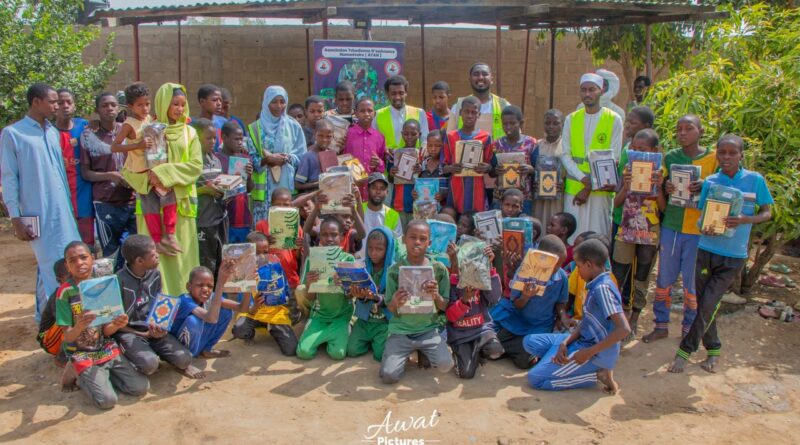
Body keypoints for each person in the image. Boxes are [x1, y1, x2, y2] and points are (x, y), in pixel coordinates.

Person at [669, 134, 773, 374]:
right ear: (716, 153)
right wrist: (704, 225)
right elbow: (703, 212)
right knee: (706, 302)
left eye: (732, 153)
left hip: (734, 255)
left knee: (707, 303)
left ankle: (684, 352)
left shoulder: (754, 180)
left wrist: (745, 219)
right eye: (722, 152)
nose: (726, 157)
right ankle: (714, 349)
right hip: (706, 249)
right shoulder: (710, 182)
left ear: (741, 155)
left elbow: (767, 212)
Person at [1, 83, 81, 320]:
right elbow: (9, 178)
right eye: (53, 101)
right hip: (36, 213)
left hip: (62, 211)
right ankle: (57, 327)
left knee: (66, 263)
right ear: (36, 101)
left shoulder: (53, 132)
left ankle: (45, 317)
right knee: (51, 267)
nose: (57, 106)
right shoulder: (13, 134)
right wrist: (16, 218)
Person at [642, 115, 718, 344]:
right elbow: (660, 190)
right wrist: (665, 186)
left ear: (701, 131)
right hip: (672, 225)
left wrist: (706, 186)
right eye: (679, 129)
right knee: (664, 277)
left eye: (689, 128)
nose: (683, 133)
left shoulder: (713, 159)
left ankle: (688, 328)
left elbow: (724, 189)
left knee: (691, 282)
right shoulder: (672, 157)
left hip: (698, 230)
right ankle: (661, 325)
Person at [122, 82, 203, 297]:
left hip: (181, 207)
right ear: (163, 103)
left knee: (182, 259)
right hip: (151, 209)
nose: (179, 108)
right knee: (155, 261)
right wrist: (149, 179)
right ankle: (159, 307)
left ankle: (187, 303)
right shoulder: (148, 131)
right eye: (174, 104)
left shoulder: (190, 133)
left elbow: (196, 167)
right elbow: (129, 168)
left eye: (182, 104)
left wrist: (164, 173)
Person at [524, 239, 629, 393]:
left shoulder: (603, 289)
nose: (577, 271)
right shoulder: (595, 284)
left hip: (592, 352)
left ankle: (596, 374)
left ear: (588, 265)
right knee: (529, 342)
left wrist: (588, 353)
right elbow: (587, 322)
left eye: (578, 266)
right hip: (581, 340)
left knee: (536, 379)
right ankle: (559, 360)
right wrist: (565, 342)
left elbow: (623, 329)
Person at [56, 241, 149, 409]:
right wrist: (79, 326)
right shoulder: (65, 292)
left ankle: (101, 376)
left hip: (105, 347)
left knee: (140, 388)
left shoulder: (103, 285)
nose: (79, 263)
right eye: (72, 260)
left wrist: (117, 324)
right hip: (81, 353)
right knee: (107, 401)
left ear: (93, 259)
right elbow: (67, 336)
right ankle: (78, 372)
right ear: (67, 265)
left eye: (84, 258)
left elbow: (106, 330)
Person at [115, 235, 203, 378]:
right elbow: (115, 324)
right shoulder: (119, 281)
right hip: (129, 332)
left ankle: (154, 352)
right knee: (150, 365)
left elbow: (160, 306)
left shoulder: (155, 274)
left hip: (151, 330)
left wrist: (161, 328)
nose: (157, 254)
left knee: (185, 359)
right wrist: (144, 334)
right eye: (153, 253)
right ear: (139, 261)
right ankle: (130, 355)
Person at [112, 82, 182, 256]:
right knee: (149, 206)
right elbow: (114, 147)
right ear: (130, 106)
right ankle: (157, 240)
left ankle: (170, 234)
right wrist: (138, 144)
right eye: (140, 105)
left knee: (169, 198)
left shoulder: (151, 120)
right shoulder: (129, 124)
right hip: (140, 173)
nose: (144, 108)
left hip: (155, 170)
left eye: (147, 104)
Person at [380, 220, 453, 383]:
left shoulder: (439, 269)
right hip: (401, 331)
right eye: (413, 237)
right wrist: (396, 301)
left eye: (422, 238)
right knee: (389, 376)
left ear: (429, 243)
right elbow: (390, 308)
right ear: (404, 240)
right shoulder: (394, 271)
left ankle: (422, 351)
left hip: (428, 330)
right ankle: (403, 354)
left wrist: (436, 296)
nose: (417, 242)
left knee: (445, 365)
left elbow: (444, 306)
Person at [610, 129, 665, 339]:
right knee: (619, 272)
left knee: (642, 274)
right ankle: (617, 318)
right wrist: (627, 184)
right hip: (627, 227)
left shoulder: (661, 172)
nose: (636, 153)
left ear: (654, 151)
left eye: (641, 149)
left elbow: (664, 208)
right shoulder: (627, 169)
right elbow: (616, 202)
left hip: (649, 230)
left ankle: (635, 317)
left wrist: (658, 187)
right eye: (633, 149)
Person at [491, 235, 570, 369]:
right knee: (492, 345)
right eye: (555, 263)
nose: (557, 268)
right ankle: (514, 349)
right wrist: (526, 297)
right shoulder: (525, 272)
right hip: (517, 322)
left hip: (540, 327)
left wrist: (562, 316)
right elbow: (516, 304)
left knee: (524, 362)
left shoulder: (561, 277)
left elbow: (560, 302)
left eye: (560, 264)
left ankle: (515, 350)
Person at [561, 73, 624, 242]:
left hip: (600, 192)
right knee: (573, 238)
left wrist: (589, 187)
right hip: (574, 189)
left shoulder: (614, 119)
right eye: (583, 90)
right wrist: (583, 179)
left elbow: (615, 157)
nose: (587, 94)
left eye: (591, 90)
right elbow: (565, 155)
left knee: (598, 237)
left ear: (601, 90)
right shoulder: (571, 119)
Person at [80, 92, 137, 267]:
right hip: (106, 203)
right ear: (97, 110)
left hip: (132, 200)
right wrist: (110, 175)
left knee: (136, 251)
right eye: (104, 105)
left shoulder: (128, 131)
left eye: (113, 105)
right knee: (110, 255)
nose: (109, 108)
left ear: (119, 108)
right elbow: (86, 173)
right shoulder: (89, 136)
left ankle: (134, 292)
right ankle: (114, 292)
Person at [295, 216, 355, 360]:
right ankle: (315, 328)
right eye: (325, 234)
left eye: (334, 235)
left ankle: (341, 330)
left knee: (338, 354)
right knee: (303, 353)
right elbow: (309, 297)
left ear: (341, 237)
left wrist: (345, 286)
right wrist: (310, 284)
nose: (329, 238)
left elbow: (350, 296)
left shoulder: (348, 260)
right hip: (319, 316)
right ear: (320, 236)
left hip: (341, 316)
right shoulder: (312, 259)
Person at [231, 231, 298, 356]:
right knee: (239, 330)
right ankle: (249, 333)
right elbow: (244, 307)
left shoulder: (275, 268)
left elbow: (286, 291)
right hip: (252, 313)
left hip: (275, 314)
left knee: (291, 350)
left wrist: (292, 308)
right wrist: (254, 307)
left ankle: (272, 327)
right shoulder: (242, 275)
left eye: (265, 252)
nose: (261, 257)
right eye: (256, 253)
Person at [446, 244, 504, 379]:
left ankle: (478, 352)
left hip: (482, 330)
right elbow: (450, 316)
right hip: (460, 335)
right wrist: (464, 300)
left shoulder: (481, 280)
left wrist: (489, 268)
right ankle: (463, 354)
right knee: (466, 374)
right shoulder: (453, 282)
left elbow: (495, 297)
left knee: (496, 350)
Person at [247, 85, 307, 215]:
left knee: (285, 226)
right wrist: (267, 160)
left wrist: (287, 158)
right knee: (264, 230)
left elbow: (302, 156)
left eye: (282, 101)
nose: (279, 106)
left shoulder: (293, 126)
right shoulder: (255, 128)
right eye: (274, 102)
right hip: (263, 193)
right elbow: (250, 159)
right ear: (266, 102)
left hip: (286, 188)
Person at [172, 261, 247, 358]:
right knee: (193, 321)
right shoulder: (184, 300)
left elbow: (242, 308)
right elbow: (211, 318)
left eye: (210, 286)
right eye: (200, 285)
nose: (205, 289)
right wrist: (220, 282)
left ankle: (206, 349)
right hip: (179, 349)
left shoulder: (211, 297)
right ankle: (187, 357)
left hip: (197, 344)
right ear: (188, 286)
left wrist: (248, 284)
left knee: (226, 312)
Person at [255, 187, 307, 324]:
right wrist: (265, 241)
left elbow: (298, 258)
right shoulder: (262, 225)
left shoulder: (296, 227)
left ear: (291, 206)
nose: (283, 209)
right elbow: (254, 254)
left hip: (290, 280)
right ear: (271, 206)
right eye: (279, 205)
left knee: (292, 319)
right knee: (266, 313)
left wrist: (299, 247)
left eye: (287, 205)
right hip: (267, 280)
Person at [346, 227, 396, 361]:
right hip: (364, 320)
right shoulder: (361, 267)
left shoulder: (394, 271)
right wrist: (356, 294)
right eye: (370, 248)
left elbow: (394, 300)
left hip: (383, 322)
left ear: (388, 249)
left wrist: (374, 297)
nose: (373, 253)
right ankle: (368, 341)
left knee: (380, 356)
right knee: (351, 350)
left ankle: (378, 341)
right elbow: (351, 294)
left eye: (379, 249)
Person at [442, 96, 494, 214]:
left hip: (477, 188)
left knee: (474, 220)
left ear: (479, 115)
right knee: (456, 219)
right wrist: (451, 168)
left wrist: (487, 167)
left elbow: (490, 166)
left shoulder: (486, 137)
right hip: (456, 188)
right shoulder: (451, 137)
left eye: (474, 112)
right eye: (466, 111)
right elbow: (443, 167)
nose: (470, 116)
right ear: (460, 113)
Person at [612, 106, 655, 242]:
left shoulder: (652, 156)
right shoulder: (626, 148)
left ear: (645, 126)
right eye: (627, 121)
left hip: (644, 216)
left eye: (633, 122)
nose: (627, 125)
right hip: (621, 213)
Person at [55, 88, 92, 245]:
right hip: (61, 191)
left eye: (69, 102)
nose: (65, 106)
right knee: (63, 238)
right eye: (60, 102)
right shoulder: (48, 131)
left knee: (87, 238)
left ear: (74, 105)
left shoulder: (84, 126)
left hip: (83, 189)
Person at [193, 118, 227, 275]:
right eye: (208, 138)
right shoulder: (192, 162)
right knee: (206, 262)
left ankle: (218, 296)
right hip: (202, 220)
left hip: (219, 218)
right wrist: (204, 190)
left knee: (221, 259)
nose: (213, 141)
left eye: (215, 138)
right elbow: (184, 190)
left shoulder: (215, 160)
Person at [447, 62, 510, 141]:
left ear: (491, 79)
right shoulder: (458, 106)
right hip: (465, 152)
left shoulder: (504, 106)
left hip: (495, 152)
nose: (480, 77)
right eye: (476, 74)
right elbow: (449, 139)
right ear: (469, 79)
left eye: (485, 74)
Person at [493, 105, 536, 214]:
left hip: (523, 198)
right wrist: (495, 170)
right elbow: (491, 172)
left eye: (512, 123)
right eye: (505, 124)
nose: (508, 127)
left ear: (521, 123)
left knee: (521, 227)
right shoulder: (496, 144)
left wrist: (531, 169)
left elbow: (538, 170)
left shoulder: (531, 143)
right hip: (501, 198)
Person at [218, 121, 255, 243]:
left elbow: (249, 189)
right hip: (224, 217)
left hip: (243, 217)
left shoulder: (245, 159)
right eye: (236, 139)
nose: (240, 143)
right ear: (224, 137)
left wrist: (249, 176)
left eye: (241, 139)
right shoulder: (216, 159)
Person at [344, 97, 387, 198]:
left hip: (370, 192)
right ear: (355, 113)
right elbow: (340, 157)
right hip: (350, 189)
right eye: (362, 111)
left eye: (370, 111)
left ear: (374, 113)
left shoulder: (380, 137)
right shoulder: (347, 133)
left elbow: (382, 166)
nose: (366, 114)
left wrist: (379, 163)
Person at [373, 75, 429, 150]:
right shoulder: (377, 115)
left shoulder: (420, 113)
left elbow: (424, 140)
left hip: (413, 159)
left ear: (406, 93)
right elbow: (373, 141)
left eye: (401, 93)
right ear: (387, 94)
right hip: (386, 160)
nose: (397, 97)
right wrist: (384, 148)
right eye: (393, 93)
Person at [387, 119, 423, 230]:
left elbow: (428, 180)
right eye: (406, 134)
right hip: (399, 203)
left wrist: (421, 170)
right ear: (402, 134)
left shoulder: (423, 155)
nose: (409, 137)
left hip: (418, 205)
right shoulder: (395, 154)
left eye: (413, 134)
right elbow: (391, 180)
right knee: (401, 236)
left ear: (419, 135)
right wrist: (392, 173)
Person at [532, 109, 565, 226]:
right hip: (539, 197)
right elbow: (532, 169)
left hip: (558, 196)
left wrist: (564, 184)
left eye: (556, 123)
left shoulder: (566, 146)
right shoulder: (536, 145)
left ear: (563, 125)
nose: (551, 126)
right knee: (539, 222)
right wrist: (534, 183)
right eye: (547, 123)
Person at [359, 173, 403, 259]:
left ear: (387, 192)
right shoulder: (358, 209)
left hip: (383, 265)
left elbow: (398, 244)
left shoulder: (393, 215)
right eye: (374, 187)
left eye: (382, 188)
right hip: (359, 261)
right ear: (367, 190)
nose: (378, 191)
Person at [37, 259, 70, 365]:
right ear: (59, 280)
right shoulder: (58, 296)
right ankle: (61, 357)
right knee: (69, 320)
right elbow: (64, 324)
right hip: (48, 338)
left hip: (66, 332)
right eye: (69, 278)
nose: (74, 280)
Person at [296, 119, 335, 192]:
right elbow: (298, 185)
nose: (324, 140)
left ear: (333, 136)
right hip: (313, 199)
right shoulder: (308, 156)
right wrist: (319, 183)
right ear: (314, 134)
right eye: (321, 135)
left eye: (328, 136)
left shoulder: (332, 154)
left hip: (330, 198)